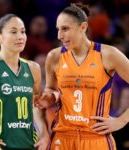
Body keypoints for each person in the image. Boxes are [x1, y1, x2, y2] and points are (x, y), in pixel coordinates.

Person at [35, 3, 129, 150]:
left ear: (83, 27)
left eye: (65, 29)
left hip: (95, 137)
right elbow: (51, 90)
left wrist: (121, 121)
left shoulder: (108, 54)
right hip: (62, 137)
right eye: (58, 29)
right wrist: (48, 98)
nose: (60, 36)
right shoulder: (54, 56)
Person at [0, 13, 49, 150]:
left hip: (30, 145)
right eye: (13, 32)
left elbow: (36, 106)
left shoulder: (33, 68)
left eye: (23, 32)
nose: (20, 36)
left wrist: (45, 135)